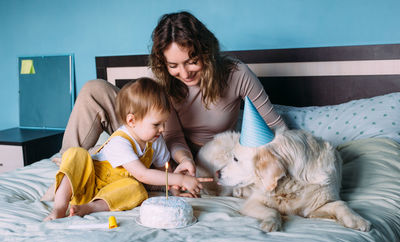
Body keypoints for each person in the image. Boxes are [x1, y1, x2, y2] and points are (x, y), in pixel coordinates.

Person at [59, 11, 287, 180]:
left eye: (192, 62)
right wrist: (184, 158)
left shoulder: (236, 74)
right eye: (173, 65)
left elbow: (277, 127)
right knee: (94, 89)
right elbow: (172, 137)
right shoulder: (160, 80)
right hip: (160, 142)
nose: (185, 73)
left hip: (205, 154)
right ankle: (67, 170)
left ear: (206, 52)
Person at [45, 78, 209, 221]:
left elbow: (165, 172)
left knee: (137, 189)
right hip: (87, 182)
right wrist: (179, 180)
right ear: (132, 121)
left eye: (164, 123)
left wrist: (175, 190)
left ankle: (89, 208)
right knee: (76, 154)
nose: (162, 129)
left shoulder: (155, 140)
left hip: (110, 192)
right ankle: (59, 207)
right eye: (156, 124)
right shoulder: (120, 141)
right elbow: (142, 174)